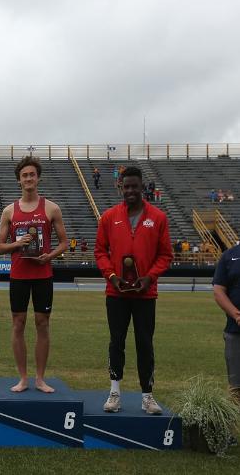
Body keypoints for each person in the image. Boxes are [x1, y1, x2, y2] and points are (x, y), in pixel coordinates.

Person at [95, 166, 173, 414]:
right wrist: (112, 276)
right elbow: (100, 252)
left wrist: (149, 278)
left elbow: (165, 255)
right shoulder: (109, 217)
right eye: (126, 186)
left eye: (134, 186)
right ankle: (114, 392)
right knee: (116, 342)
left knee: (144, 343)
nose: (130, 190)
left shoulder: (158, 218)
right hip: (116, 292)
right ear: (121, 187)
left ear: (142, 187)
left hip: (145, 294)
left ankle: (147, 396)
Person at [0, 156, 68, 393]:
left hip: (42, 275)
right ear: (19, 180)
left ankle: (39, 378)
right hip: (19, 275)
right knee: (18, 324)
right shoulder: (9, 211)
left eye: (32, 174)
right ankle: (23, 378)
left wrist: (50, 256)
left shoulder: (51, 208)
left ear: (38, 178)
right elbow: (0, 247)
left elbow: (64, 242)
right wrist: (17, 243)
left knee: (42, 323)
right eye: (24, 175)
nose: (28, 178)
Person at [212, 242, 240, 406]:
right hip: (235, 331)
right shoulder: (229, 256)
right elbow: (218, 290)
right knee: (236, 387)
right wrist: (237, 315)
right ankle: (236, 428)